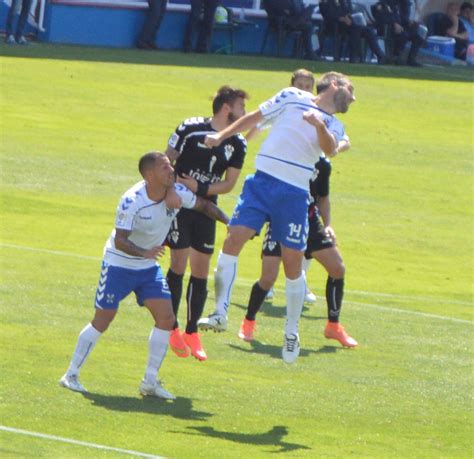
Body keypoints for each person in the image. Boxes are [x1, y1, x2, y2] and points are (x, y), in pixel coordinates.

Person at [198, 71, 355, 364]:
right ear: (334, 85)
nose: (353, 97)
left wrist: (319, 124)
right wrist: (221, 135)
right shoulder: (291, 96)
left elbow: (330, 149)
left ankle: (291, 330)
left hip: (294, 194)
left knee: (293, 264)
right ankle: (220, 312)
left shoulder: (334, 123)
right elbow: (256, 116)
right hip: (262, 182)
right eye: (350, 90)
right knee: (233, 238)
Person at [59, 152, 228, 399]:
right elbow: (120, 240)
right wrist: (145, 252)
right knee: (103, 319)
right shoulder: (132, 201)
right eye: (165, 167)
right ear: (150, 175)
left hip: (146, 268)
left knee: (166, 317)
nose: (171, 170)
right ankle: (71, 374)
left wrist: (229, 222)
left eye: (170, 166)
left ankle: (150, 382)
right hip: (119, 264)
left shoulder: (177, 192)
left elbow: (204, 206)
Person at [239, 150, 357, 348]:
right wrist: (257, 222)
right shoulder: (286, 156)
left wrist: (327, 224)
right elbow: (266, 192)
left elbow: (323, 197)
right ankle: (248, 321)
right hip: (281, 220)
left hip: (310, 222)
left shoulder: (322, 164)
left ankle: (333, 326)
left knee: (337, 268)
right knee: (268, 277)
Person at [165, 86, 248, 361]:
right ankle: (171, 327)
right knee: (178, 266)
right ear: (227, 108)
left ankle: (192, 332)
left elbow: (229, 184)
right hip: (179, 207)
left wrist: (199, 185)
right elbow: (166, 160)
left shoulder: (237, 143)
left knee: (200, 271)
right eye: (241, 107)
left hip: (207, 209)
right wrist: (173, 187)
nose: (244, 113)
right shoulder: (190, 128)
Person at [246, 68, 317, 303]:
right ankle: (268, 282)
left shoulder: (318, 112)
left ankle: (300, 282)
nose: (304, 88)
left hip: (300, 177)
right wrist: (242, 142)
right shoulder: (286, 105)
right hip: (275, 175)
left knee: (301, 237)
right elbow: (259, 123)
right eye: (300, 84)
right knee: (272, 231)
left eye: (308, 85)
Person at [319, 0, 386, 63]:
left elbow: (348, 11)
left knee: (368, 31)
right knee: (356, 30)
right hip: (333, 25)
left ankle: (380, 55)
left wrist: (348, 18)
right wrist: (341, 18)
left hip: (347, 24)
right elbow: (327, 14)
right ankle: (353, 56)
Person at [372, 0, 424, 66]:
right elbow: (381, 17)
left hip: (402, 27)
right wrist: (394, 23)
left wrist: (410, 22)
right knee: (404, 35)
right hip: (388, 28)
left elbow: (403, 19)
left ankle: (411, 60)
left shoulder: (404, 3)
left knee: (418, 37)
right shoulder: (384, 3)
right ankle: (395, 57)